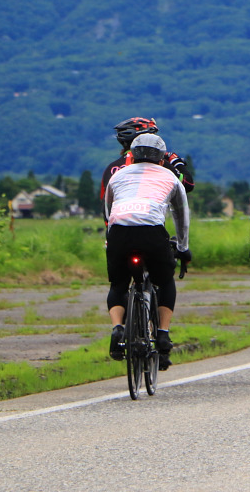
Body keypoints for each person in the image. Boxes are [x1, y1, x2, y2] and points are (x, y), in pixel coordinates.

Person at [103, 133, 191, 371]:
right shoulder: (170, 177)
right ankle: (162, 334)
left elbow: (108, 211)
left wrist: (109, 241)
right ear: (161, 158)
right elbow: (181, 216)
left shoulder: (118, 175)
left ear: (132, 154)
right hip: (152, 233)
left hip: (120, 233)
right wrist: (183, 247)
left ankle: (118, 328)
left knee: (118, 285)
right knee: (165, 280)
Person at [99, 117, 194, 205]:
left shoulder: (111, 168)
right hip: (149, 217)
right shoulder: (156, 163)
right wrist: (176, 161)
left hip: (118, 219)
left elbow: (105, 202)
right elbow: (188, 184)